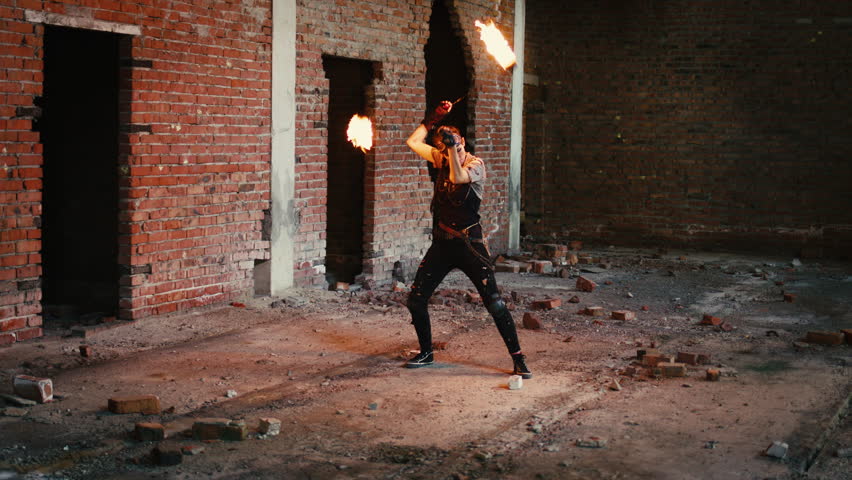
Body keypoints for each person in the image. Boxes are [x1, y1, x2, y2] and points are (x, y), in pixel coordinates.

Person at [403, 100, 532, 379]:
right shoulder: (440, 157)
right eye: (449, 147)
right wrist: (433, 119)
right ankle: (426, 353)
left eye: (458, 146)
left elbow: (458, 176)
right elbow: (413, 142)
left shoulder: (475, 165)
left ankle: (519, 359)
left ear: (463, 143)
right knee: (416, 299)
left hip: (469, 246)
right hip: (442, 244)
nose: (455, 151)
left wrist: (451, 149)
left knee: (494, 302)